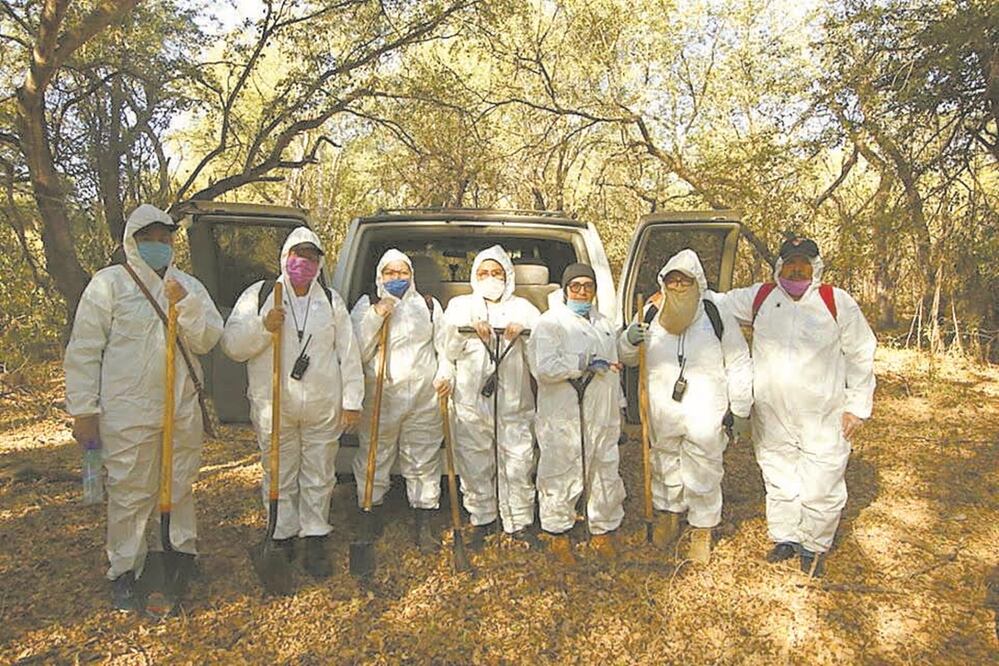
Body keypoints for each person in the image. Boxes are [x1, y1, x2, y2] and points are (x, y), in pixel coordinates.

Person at [65, 204, 224, 611]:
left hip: (181, 406)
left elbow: (208, 339)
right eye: (148, 238)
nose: (157, 244)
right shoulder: (109, 284)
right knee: (130, 492)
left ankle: (180, 555)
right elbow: (84, 350)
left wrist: (185, 304)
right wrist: (84, 410)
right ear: (131, 241)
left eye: (164, 238)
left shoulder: (188, 285)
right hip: (127, 411)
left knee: (180, 484)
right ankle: (125, 570)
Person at [721, 235, 876, 577]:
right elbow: (715, 303)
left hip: (823, 415)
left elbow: (861, 352)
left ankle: (814, 546)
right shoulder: (762, 297)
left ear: (815, 267)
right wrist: (671, 293)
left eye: (803, 263)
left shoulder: (835, 301)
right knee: (778, 475)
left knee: (822, 482)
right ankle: (786, 537)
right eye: (790, 262)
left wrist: (857, 406)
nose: (796, 269)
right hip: (772, 412)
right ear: (779, 266)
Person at [221, 227, 363, 579]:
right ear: (285, 257)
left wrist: (352, 401)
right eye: (299, 256)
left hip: (322, 405)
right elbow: (233, 345)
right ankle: (281, 535)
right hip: (274, 404)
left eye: (312, 257)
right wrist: (263, 326)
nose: (305, 263)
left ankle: (314, 536)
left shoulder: (331, 300)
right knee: (278, 471)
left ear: (319, 263)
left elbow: (348, 352)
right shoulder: (260, 295)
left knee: (319, 473)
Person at [619, 249, 752, 564]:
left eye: (685, 280)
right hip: (662, 408)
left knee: (704, 466)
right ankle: (669, 515)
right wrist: (628, 339)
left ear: (697, 282)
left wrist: (741, 408)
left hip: (704, 408)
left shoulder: (715, 314)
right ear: (663, 282)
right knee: (664, 461)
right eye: (672, 280)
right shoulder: (651, 312)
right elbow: (627, 359)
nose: (678, 286)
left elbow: (738, 361)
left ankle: (702, 528)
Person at [350, 249, 451, 553]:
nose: (397, 278)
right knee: (374, 456)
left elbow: (445, 348)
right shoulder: (367, 304)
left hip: (423, 398)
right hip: (381, 397)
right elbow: (355, 351)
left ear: (412, 275)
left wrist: (445, 374)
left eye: (402, 272)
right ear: (380, 276)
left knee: (423, 459)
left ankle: (423, 522)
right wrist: (376, 315)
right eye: (390, 273)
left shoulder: (428, 306)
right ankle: (369, 514)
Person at [442, 245, 541, 549]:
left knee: (519, 463)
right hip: (471, 404)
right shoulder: (460, 307)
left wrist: (526, 335)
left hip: (514, 404)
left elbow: (541, 358)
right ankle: (482, 520)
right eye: (484, 272)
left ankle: (518, 522)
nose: (490, 278)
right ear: (475, 275)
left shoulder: (525, 309)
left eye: (496, 273)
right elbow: (447, 351)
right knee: (474, 464)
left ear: (507, 275)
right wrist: (464, 332)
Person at [530, 263, 626, 564]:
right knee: (561, 470)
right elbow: (544, 368)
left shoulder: (604, 323)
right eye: (576, 286)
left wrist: (619, 405)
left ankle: (602, 529)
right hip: (564, 412)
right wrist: (581, 364)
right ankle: (557, 533)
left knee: (604, 468)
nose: (582, 291)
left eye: (588, 286)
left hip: (602, 410)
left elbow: (613, 368)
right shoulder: (550, 323)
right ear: (565, 289)